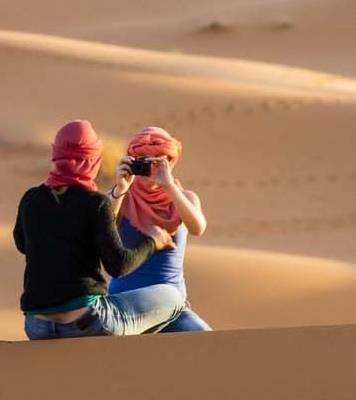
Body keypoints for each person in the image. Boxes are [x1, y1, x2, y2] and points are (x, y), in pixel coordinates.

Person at [14, 119, 185, 340]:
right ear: (92, 159)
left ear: (56, 155)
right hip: (87, 324)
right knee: (171, 297)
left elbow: (22, 244)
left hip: (36, 327)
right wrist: (153, 241)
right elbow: (119, 266)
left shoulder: (31, 199)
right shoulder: (94, 203)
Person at [109, 126, 212, 332]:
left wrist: (169, 187)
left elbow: (197, 227)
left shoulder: (185, 198)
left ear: (170, 161)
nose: (150, 168)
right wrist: (120, 188)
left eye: (157, 161)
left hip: (171, 307)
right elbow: (102, 225)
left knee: (205, 338)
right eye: (143, 160)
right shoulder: (121, 198)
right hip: (123, 307)